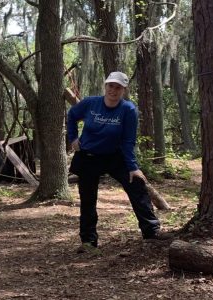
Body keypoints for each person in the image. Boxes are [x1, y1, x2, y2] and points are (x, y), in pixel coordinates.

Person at [65, 71, 172, 254]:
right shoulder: (91, 103)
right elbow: (72, 115)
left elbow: (128, 140)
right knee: (88, 199)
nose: (113, 90)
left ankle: (151, 230)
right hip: (89, 157)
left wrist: (132, 167)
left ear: (123, 90)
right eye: (110, 86)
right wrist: (73, 137)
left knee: (136, 186)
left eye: (118, 87)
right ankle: (88, 241)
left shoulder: (128, 109)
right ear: (105, 86)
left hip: (116, 157)